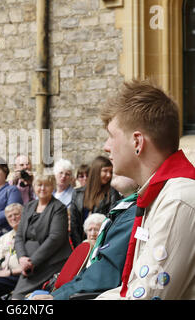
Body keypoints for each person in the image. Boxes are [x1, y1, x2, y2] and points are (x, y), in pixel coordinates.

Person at [96, 79, 195, 300]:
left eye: (112, 135)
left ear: (137, 142)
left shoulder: (177, 201)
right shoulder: (160, 195)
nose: (106, 146)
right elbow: (131, 289)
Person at [32, 175, 138, 300]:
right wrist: (54, 295)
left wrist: (57, 297)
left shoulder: (133, 213)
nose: (110, 156)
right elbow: (90, 272)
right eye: (90, 230)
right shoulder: (122, 209)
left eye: (95, 230)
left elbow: (104, 274)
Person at [12, 174, 72, 299]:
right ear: (34, 187)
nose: (43, 188)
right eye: (39, 185)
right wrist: (22, 258)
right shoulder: (28, 206)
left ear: (53, 187)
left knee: (19, 296)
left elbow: (55, 238)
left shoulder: (59, 208)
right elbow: (19, 236)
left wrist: (32, 262)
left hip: (49, 263)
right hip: (28, 264)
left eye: (47, 185)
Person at [70, 155, 121, 248]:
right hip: (82, 245)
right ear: (96, 171)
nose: (109, 175)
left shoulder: (112, 193)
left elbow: (112, 221)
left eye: (110, 172)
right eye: (105, 171)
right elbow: (74, 224)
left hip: (102, 244)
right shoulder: (78, 193)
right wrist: (80, 247)